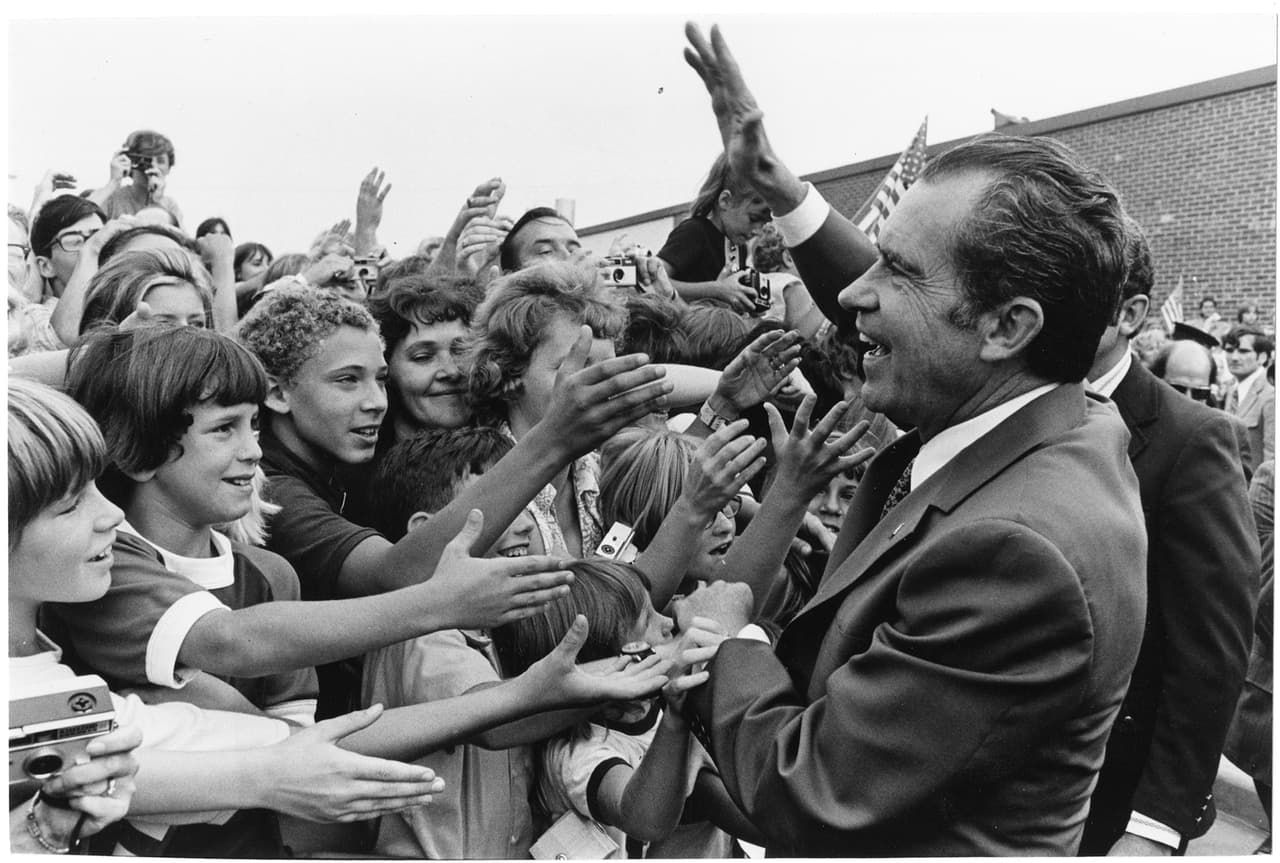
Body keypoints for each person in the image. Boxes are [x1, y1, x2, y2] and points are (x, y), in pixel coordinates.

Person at [673, 24, 1146, 855]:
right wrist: (785, 190)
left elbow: (812, 787)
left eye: (896, 269)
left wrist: (729, 637)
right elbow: (932, 303)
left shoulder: (1016, 550)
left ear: (1007, 326)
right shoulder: (1053, 406)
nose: (856, 290)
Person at [236, 284, 671, 716]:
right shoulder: (269, 490)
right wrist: (552, 441)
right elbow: (397, 574)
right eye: (347, 381)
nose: (375, 402)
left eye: (381, 380)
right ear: (276, 393)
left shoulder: (342, 453)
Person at [1080, 222, 1259, 855]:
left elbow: (1210, 650)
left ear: (1129, 314)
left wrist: (1154, 827)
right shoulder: (1008, 405)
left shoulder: (1193, 440)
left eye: (1072, 285)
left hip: (1113, 801)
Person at [493, 559, 751, 859]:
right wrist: (677, 721)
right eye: (647, 621)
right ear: (616, 655)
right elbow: (642, 818)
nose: (668, 623)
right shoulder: (580, 752)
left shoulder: (656, 708)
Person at [366, 273, 482, 449]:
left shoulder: (512, 452)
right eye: (423, 357)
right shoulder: (355, 468)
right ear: (386, 369)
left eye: (462, 350)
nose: (452, 371)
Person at [656, 153, 772, 311]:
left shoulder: (740, 248)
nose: (758, 231)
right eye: (753, 218)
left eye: (764, 224)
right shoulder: (694, 232)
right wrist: (717, 290)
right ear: (725, 201)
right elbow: (655, 280)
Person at [87, 130, 183, 226]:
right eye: (146, 159)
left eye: (160, 161)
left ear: (168, 168)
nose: (153, 165)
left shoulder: (169, 205)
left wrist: (158, 202)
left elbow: (183, 239)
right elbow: (81, 219)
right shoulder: (111, 198)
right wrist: (113, 182)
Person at [1224, 326, 1275, 474]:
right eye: (1229, 350)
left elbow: (1272, 460)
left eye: (1243, 351)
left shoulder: (1270, 397)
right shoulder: (1232, 392)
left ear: (1262, 357)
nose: (1234, 357)